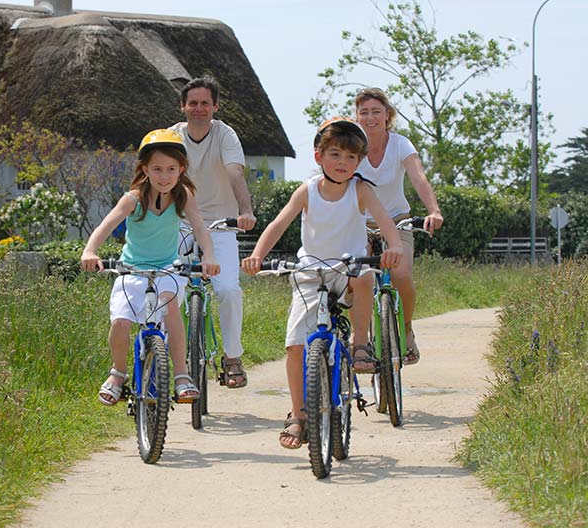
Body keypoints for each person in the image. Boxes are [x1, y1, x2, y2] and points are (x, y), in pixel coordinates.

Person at [241, 117, 403, 449]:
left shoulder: (361, 190)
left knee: (365, 275)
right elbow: (278, 224)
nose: (343, 163)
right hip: (310, 271)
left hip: (349, 268)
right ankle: (299, 415)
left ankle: (360, 342)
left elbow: (386, 225)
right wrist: (257, 255)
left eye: (350, 158)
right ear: (319, 157)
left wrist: (395, 247)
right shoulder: (307, 191)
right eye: (335, 155)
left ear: (359, 162)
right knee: (295, 345)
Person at [81, 129, 220, 406]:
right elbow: (105, 226)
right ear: (145, 169)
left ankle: (181, 374)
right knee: (120, 322)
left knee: (169, 310)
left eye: (171, 169)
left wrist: (209, 256)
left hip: (168, 269)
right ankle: (118, 374)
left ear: (181, 169)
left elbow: (200, 228)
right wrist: (90, 250)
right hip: (131, 269)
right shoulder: (133, 198)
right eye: (157, 169)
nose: (164, 176)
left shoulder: (184, 196)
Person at [170, 76, 255, 388]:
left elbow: (235, 173)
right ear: (183, 106)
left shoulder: (225, 135)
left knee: (229, 290)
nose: (199, 108)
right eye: (192, 103)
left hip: (220, 224)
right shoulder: (172, 136)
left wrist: (245, 211)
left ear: (215, 106)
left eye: (205, 103)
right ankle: (159, 359)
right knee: (168, 289)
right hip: (178, 221)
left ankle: (232, 357)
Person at [354, 87, 444, 365]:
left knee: (401, 273)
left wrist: (434, 210)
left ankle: (405, 329)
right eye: (364, 112)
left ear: (387, 116)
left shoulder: (400, 144)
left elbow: (418, 177)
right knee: (356, 279)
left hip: (397, 221)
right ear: (357, 117)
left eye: (376, 112)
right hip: (360, 222)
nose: (370, 118)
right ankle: (360, 339)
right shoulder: (352, 146)